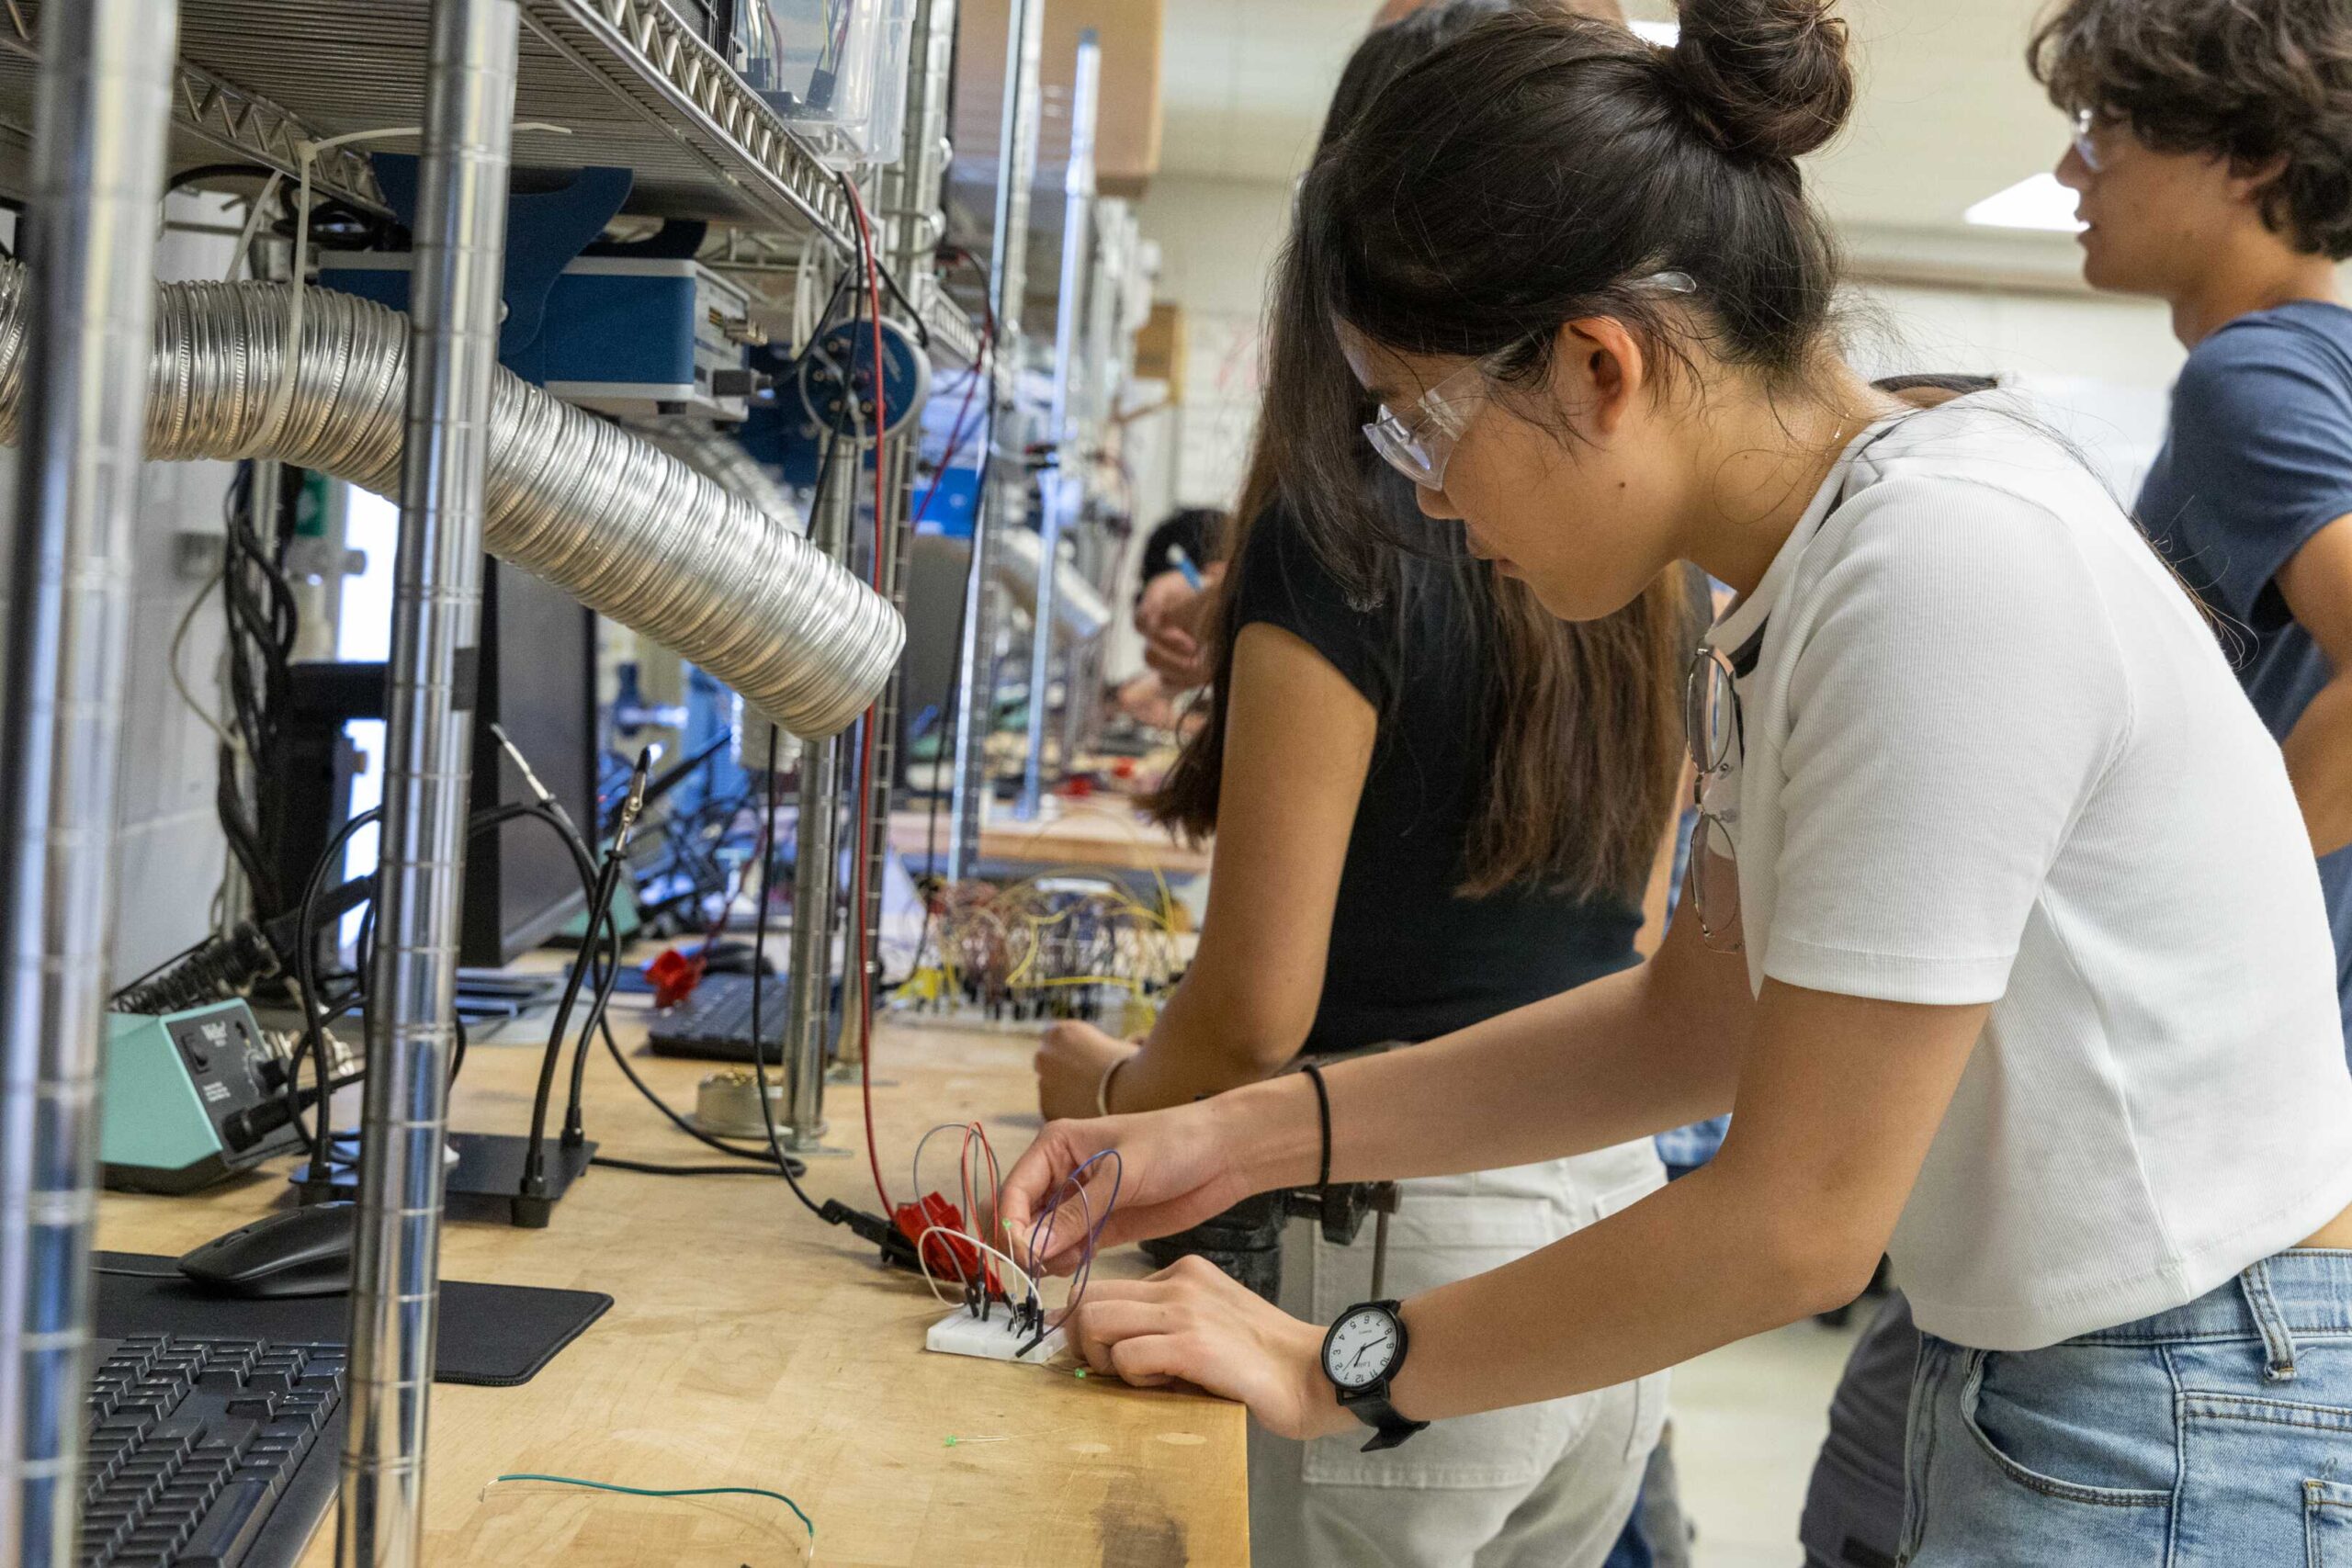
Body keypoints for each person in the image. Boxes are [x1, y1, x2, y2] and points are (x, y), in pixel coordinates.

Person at [997, 4, 2352, 1562]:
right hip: (2077, 1368)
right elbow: (1693, 1026)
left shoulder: (1938, 566)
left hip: (2182, 1393)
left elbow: (1795, 1223)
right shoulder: (1799, 577)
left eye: (1427, 420)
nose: (1427, 493)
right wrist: (1228, 1138)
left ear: (1597, 366)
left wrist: (1336, 1367)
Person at [1035, 8, 1694, 1563]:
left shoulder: (1338, 521)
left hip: (1384, 1258)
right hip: (1596, 1243)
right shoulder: (1654, 543)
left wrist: (1117, 1104)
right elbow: (1645, 929)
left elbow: (1255, 1015)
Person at [1801, 7, 2352, 1560]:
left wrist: (2234, 874)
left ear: (2247, 157)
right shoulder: (2329, 367)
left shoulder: (2251, 381)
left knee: (1871, 1491)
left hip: (2184, 1153)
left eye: (2108, 136)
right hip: (2265, 1146)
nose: (2069, 169)